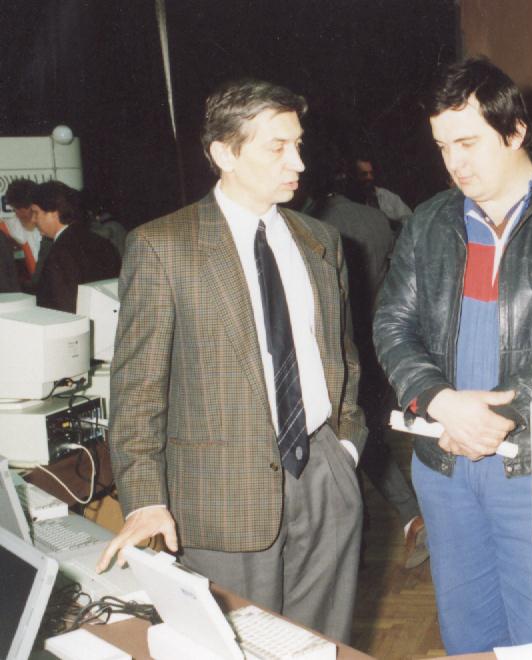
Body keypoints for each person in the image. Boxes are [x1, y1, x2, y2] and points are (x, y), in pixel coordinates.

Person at [98, 79, 366, 642]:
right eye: (278, 147)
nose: (298, 162)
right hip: (220, 495)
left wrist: (345, 447)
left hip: (324, 476)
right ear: (224, 153)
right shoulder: (163, 246)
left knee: (320, 647)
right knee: (237, 646)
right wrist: (145, 499)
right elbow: (138, 390)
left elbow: (342, 357)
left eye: (298, 144)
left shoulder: (321, 241)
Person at [373, 57, 532, 653]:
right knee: (468, 636)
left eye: (468, 143)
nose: (454, 163)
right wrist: (437, 400)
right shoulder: (428, 222)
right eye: (443, 147)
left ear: (515, 132)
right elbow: (392, 323)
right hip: (445, 464)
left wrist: (501, 413)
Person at [315, 162, 429, 569]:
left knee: (350, 438)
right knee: (373, 432)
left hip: (336, 349)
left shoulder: (311, 226)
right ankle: (412, 515)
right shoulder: (376, 219)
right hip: (382, 342)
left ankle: (368, 530)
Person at [29, 181, 120, 313]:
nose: (33, 220)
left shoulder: (59, 253)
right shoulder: (101, 242)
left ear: (54, 212)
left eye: (36, 212)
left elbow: (64, 309)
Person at [2, 178, 48, 291]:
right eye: (17, 209)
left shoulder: (50, 227)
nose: (19, 213)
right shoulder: (6, 229)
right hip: (23, 291)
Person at [352, 154, 413, 226]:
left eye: (371, 173)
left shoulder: (388, 197)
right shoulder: (353, 202)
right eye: (364, 174)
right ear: (356, 176)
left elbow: (410, 220)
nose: (369, 177)